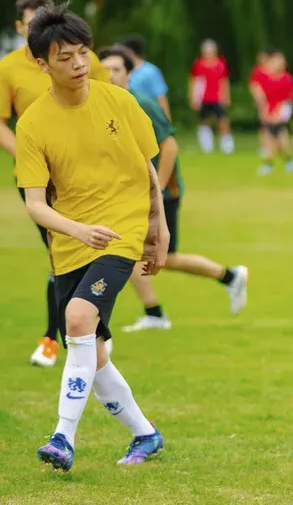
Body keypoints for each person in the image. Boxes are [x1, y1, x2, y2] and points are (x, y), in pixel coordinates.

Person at [14, 3, 169, 471]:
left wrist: (158, 227)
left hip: (121, 232)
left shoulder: (120, 102)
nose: (79, 64)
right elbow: (36, 204)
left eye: (83, 53)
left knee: (78, 318)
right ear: (42, 63)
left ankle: (63, 437)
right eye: (65, 57)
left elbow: (147, 168)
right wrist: (78, 230)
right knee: (91, 352)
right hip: (72, 242)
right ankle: (146, 434)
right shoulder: (34, 124)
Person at [0, 0, 112, 368]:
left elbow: (111, 107)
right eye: (30, 23)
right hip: (40, 181)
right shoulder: (9, 68)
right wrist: (33, 160)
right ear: (20, 27)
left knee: (93, 255)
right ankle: (66, 338)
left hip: (88, 177)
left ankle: (83, 336)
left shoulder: (82, 60)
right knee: (61, 257)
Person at [100, 46, 249, 331]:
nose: (110, 75)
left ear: (129, 73)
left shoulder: (140, 103)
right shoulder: (109, 104)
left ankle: (228, 277)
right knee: (134, 251)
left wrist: (156, 189)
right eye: (104, 69)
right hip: (130, 193)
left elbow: (169, 146)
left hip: (160, 193)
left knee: (157, 256)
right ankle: (158, 312)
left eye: (116, 69)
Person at [254, 49, 293, 175]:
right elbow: (262, 94)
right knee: (269, 136)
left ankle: (287, 160)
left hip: (282, 108)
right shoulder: (267, 78)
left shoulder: (286, 79)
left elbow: (287, 99)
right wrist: (265, 109)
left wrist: (277, 113)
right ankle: (270, 162)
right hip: (269, 109)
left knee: (279, 135)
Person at [190, 39, 232, 154]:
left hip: (217, 97)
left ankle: (226, 145)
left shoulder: (221, 64)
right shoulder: (198, 64)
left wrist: (226, 96)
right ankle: (207, 146)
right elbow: (194, 81)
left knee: (222, 120)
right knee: (204, 121)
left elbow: (224, 81)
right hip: (203, 98)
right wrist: (193, 97)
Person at [118, 35, 172, 122]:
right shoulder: (122, 70)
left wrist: (166, 122)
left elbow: (161, 98)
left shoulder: (150, 71)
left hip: (149, 117)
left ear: (130, 51)